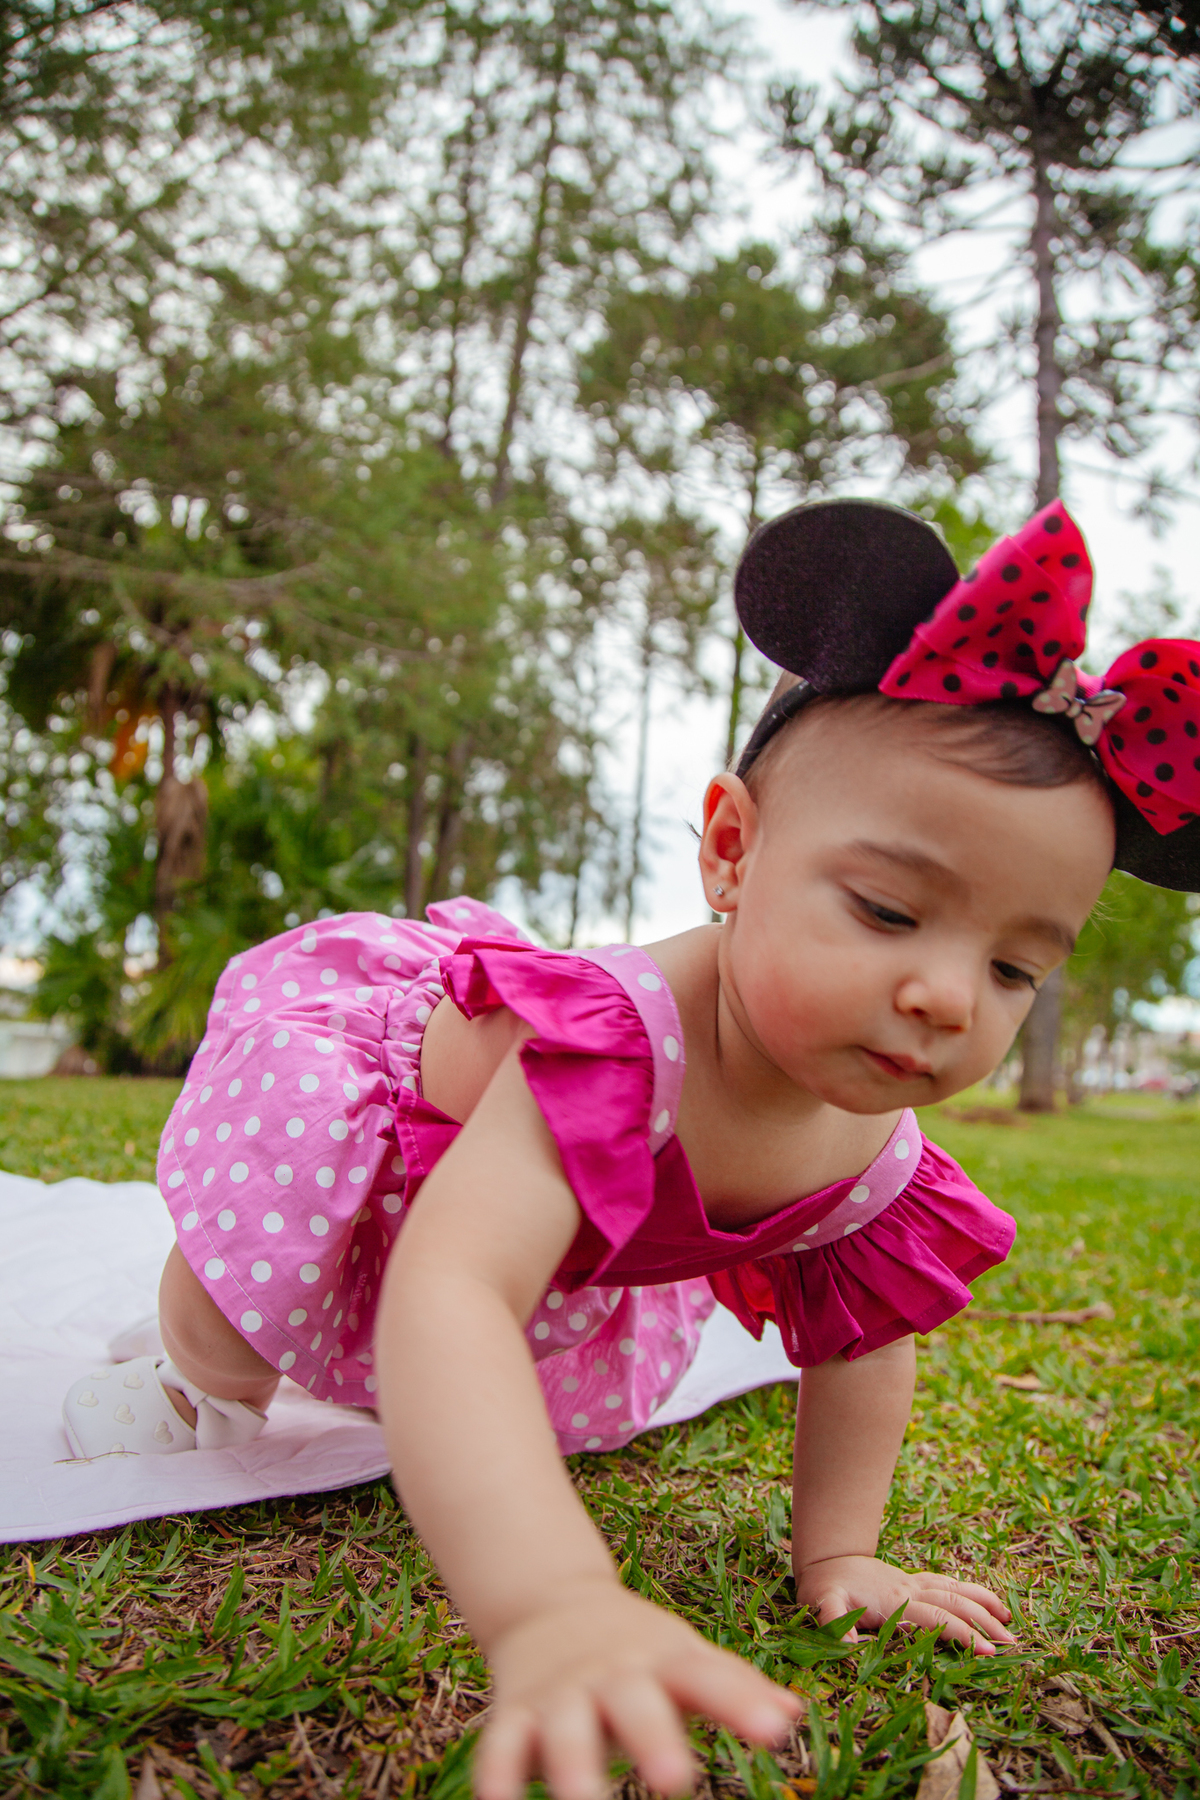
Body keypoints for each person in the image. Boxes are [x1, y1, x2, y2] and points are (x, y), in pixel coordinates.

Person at [63, 498, 1200, 1800]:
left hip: (560, 1220)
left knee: (529, 1382)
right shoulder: (615, 1041)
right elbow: (453, 1286)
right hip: (393, 1132)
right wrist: (548, 1595)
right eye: (890, 911)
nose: (947, 997)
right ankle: (189, 1377)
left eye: (1012, 968)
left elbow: (862, 1347)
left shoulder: (872, 1146)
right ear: (732, 850)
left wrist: (839, 1555)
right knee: (258, 1281)